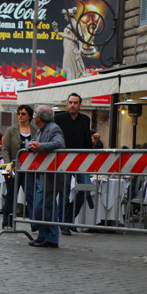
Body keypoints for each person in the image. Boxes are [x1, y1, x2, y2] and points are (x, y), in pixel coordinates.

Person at [26, 106, 65, 248]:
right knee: (48, 207)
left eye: (35, 114)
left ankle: (46, 236)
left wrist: (40, 146)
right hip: (42, 173)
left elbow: (59, 144)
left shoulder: (54, 128)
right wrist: (31, 145)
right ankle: (49, 238)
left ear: (40, 117)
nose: (33, 116)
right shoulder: (41, 130)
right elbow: (29, 142)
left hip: (50, 175)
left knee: (41, 206)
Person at [54, 93, 93, 235]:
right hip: (64, 160)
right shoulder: (58, 118)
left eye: (75, 103)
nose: (72, 105)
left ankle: (68, 218)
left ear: (80, 105)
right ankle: (64, 224)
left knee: (86, 188)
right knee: (64, 193)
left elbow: (87, 139)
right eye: (70, 102)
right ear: (66, 104)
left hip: (81, 161)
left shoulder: (85, 119)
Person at [1, 104, 38, 230]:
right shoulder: (11, 130)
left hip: (29, 168)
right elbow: (5, 149)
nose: (20, 116)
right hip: (11, 169)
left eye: (23, 114)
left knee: (31, 195)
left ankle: (35, 223)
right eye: (18, 113)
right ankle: (7, 222)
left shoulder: (35, 131)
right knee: (11, 194)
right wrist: (9, 165)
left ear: (29, 116)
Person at [52, 7, 86, 81]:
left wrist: (80, 49)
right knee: (66, 67)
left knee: (70, 67)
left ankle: (71, 83)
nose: (65, 18)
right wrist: (57, 32)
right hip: (67, 47)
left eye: (65, 16)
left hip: (71, 47)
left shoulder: (75, 24)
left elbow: (80, 37)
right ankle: (70, 81)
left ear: (69, 16)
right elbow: (67, 36)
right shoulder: (70, 25)